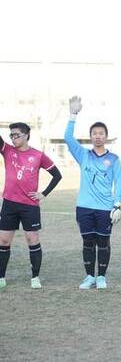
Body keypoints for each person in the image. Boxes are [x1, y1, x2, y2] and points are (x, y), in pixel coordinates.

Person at [65, 96, 121, 290]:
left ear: (106, 136)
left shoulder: (114, 159)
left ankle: (102, 277)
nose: (98, 136)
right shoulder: (83, 155)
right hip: (84, 207)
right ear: (91, 136)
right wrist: (73, 115)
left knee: (103, 242)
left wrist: (117, 204)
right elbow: (68, 138)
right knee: (88, 242)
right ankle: (90, 276)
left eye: (101, 133)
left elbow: (120, 182)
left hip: (105, 208)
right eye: (94, 133)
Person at [0, 123, 62, 289]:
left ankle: (35, 277)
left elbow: (57, 175)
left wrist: (44, 193)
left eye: (17, 135)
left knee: (32, 239)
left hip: (30, 206)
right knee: (4, 240)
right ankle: (1, 277)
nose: (13, 138)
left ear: (26, 135)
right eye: (11, 135)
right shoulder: (7, 150)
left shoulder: (38, 155)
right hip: (9, 203)